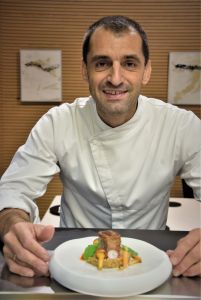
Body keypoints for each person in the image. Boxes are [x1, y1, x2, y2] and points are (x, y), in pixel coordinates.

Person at [0, 15, 200, 278]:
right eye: (102, 63)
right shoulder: (59, 122)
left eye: (129, 63)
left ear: (146, 70)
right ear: (85, 70)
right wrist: (12, 223)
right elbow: (13, 188)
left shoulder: (181, 126)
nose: (115, 78)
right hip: (73, 260)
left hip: (155, 261)